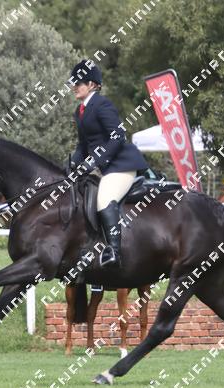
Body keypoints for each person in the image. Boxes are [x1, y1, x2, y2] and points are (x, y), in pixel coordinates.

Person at [69, 59, 148, 267]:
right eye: (73, 82)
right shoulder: (80, 111)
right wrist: (72, 164)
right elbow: (83, 145)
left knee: (104, 198)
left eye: (78, 82)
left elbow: (117, 136)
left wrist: (95, 161)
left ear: (92, 85)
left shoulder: (102, 104)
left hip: (121, 166)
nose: (74, 86)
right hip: (105, 168)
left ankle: (114, 251)